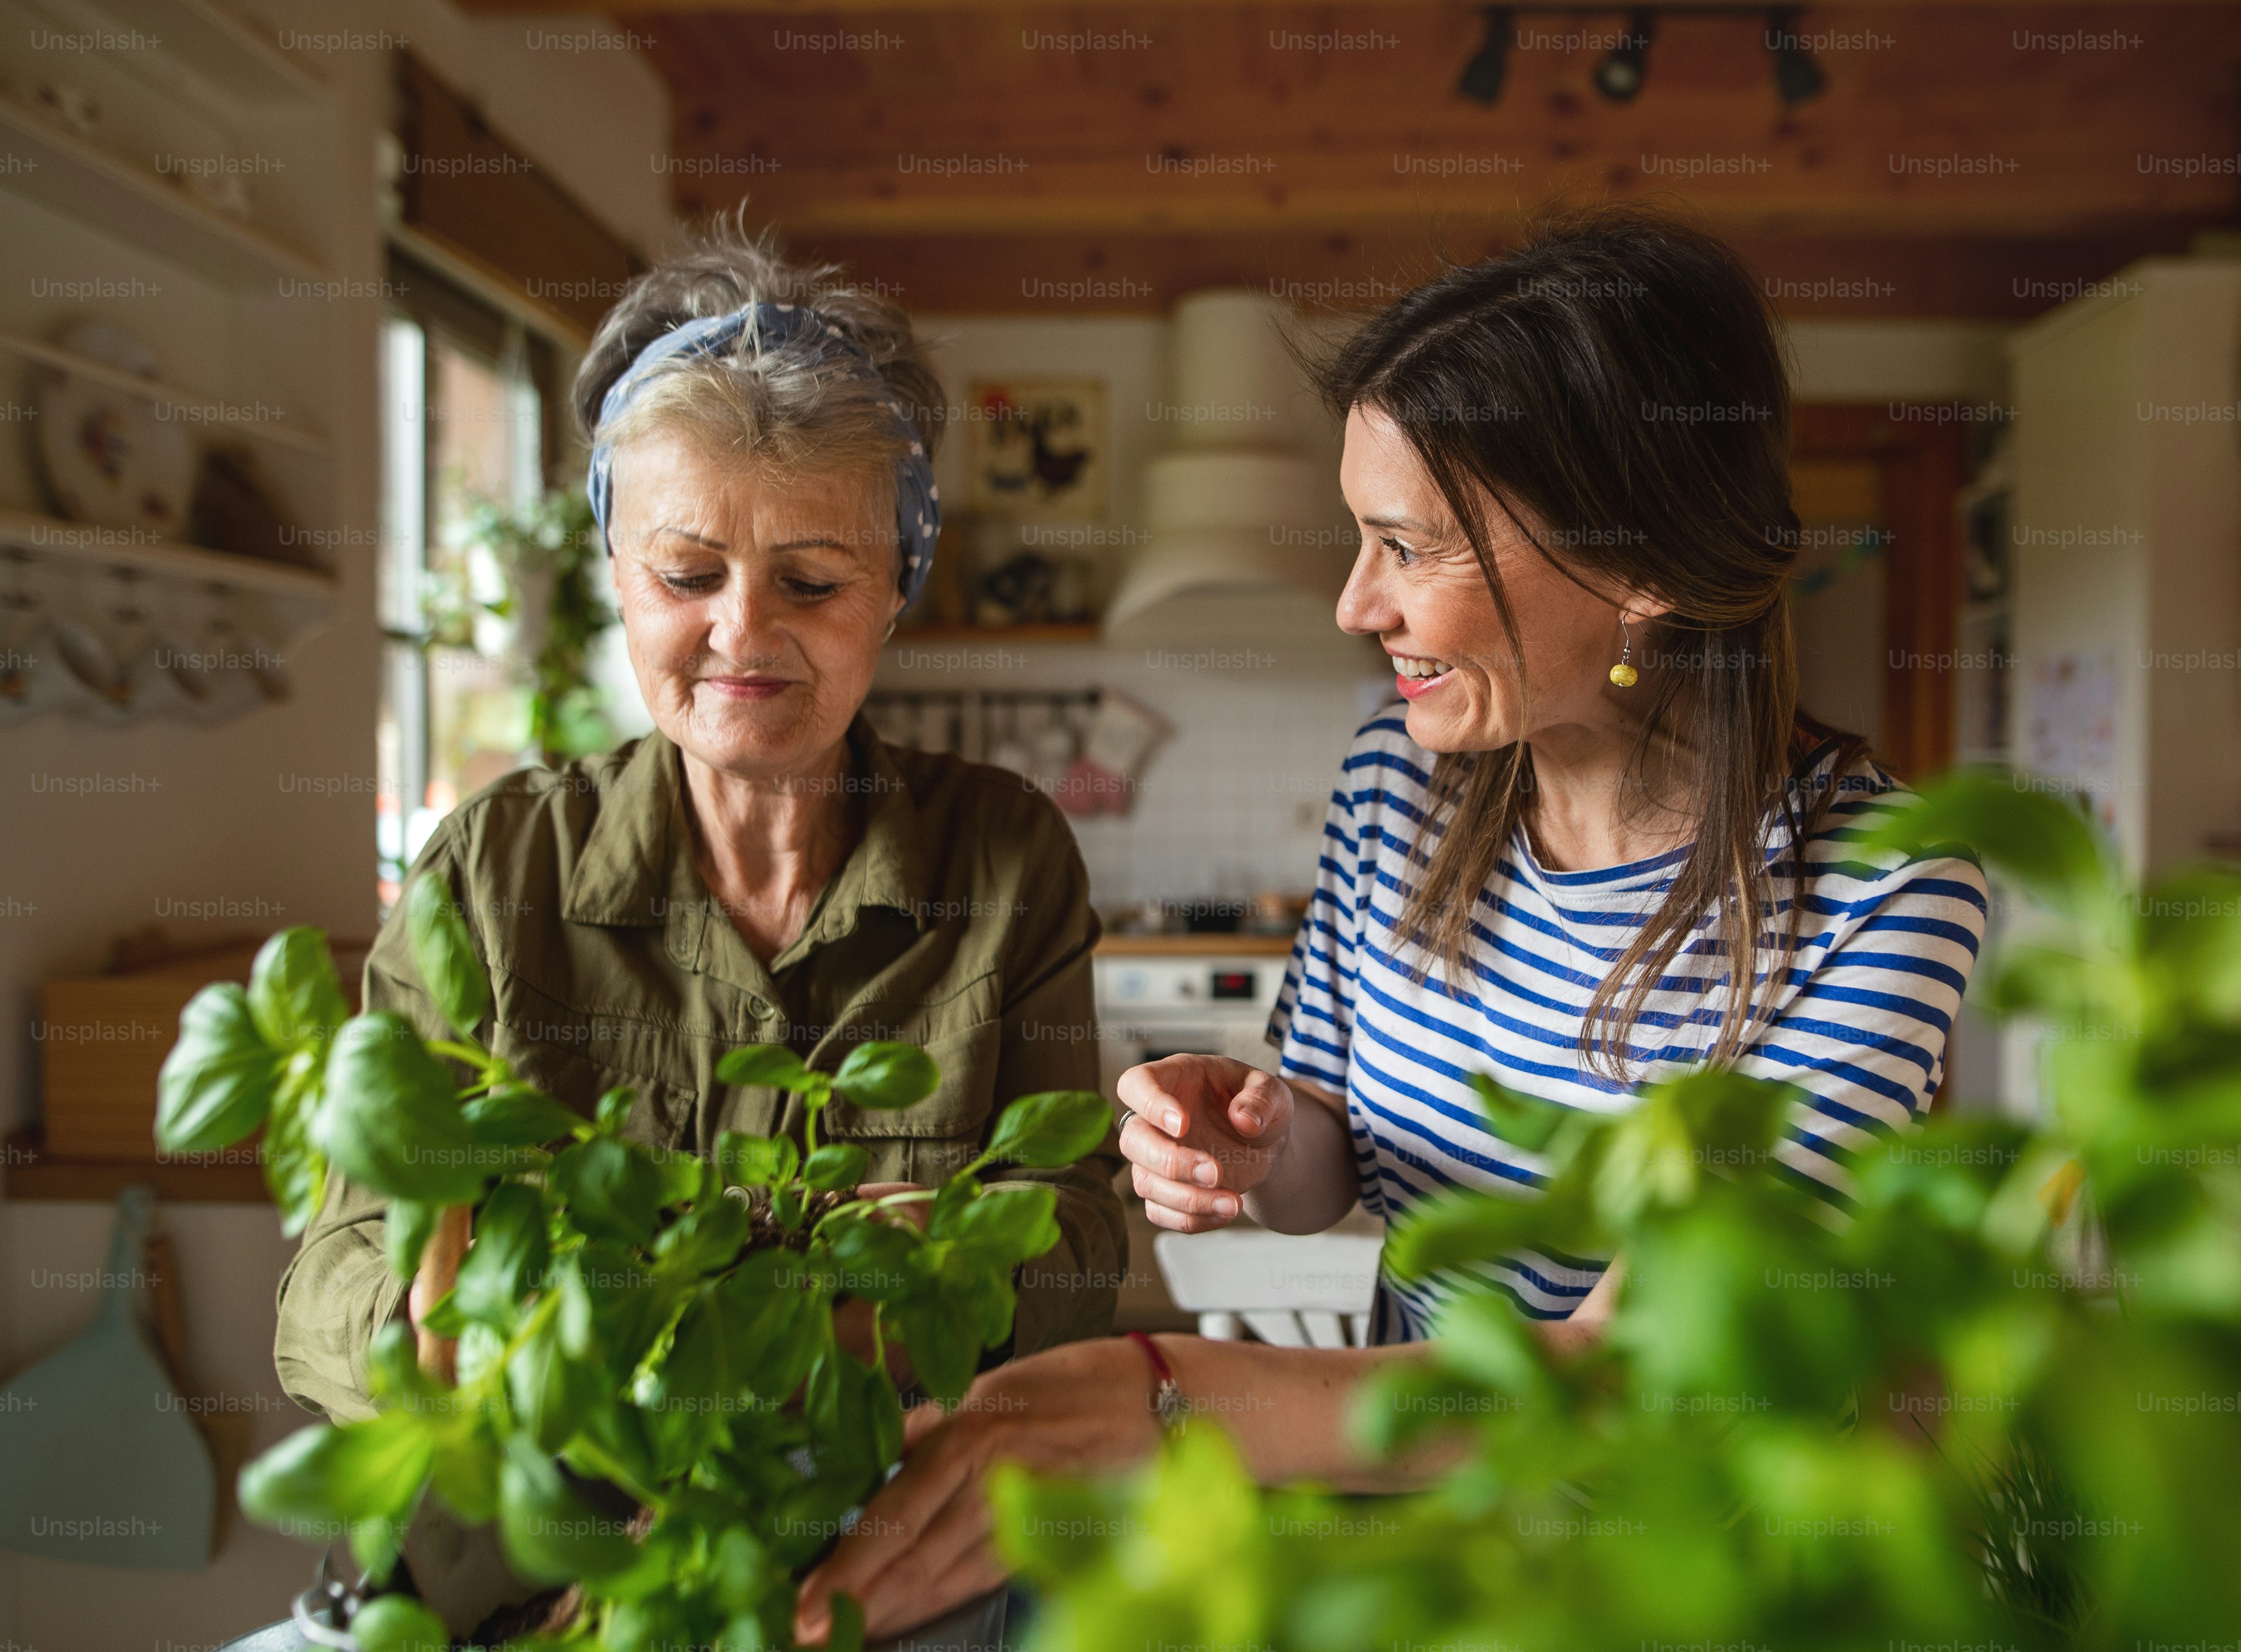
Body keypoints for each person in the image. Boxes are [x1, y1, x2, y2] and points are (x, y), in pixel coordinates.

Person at [792, 207, 1989, 1644]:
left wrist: (1171, 1392)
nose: (1359, 604)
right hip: (1420, 1547)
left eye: (1407, 545)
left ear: (1642, 569)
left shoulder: (1887, 888)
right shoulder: (1401, 773)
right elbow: (1331, 1161)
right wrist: (1252, 1131)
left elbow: (1640, 1375)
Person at [270, 226, 1125, 1637]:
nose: (743, 633)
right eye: (686, 573)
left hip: (887, 1564)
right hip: (531, 1572)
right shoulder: (497, 867)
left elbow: (1082, 1239)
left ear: (897, 589)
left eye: (811, 581)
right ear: (617, 572)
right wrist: (436, 1318)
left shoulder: (1004, 852)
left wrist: (903, 1294)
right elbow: (324, 1276)